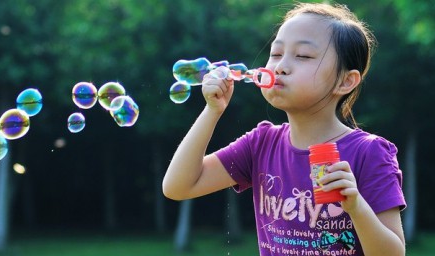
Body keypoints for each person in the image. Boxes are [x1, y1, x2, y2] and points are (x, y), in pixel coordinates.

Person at [162, 2, 406, 255]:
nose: (280, 66)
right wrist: (212, 112)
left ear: (346, 81)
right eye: (276, 54)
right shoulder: (261, 144)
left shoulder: (369, 152)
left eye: (303, 56)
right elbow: (178, 186)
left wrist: (356, 207)